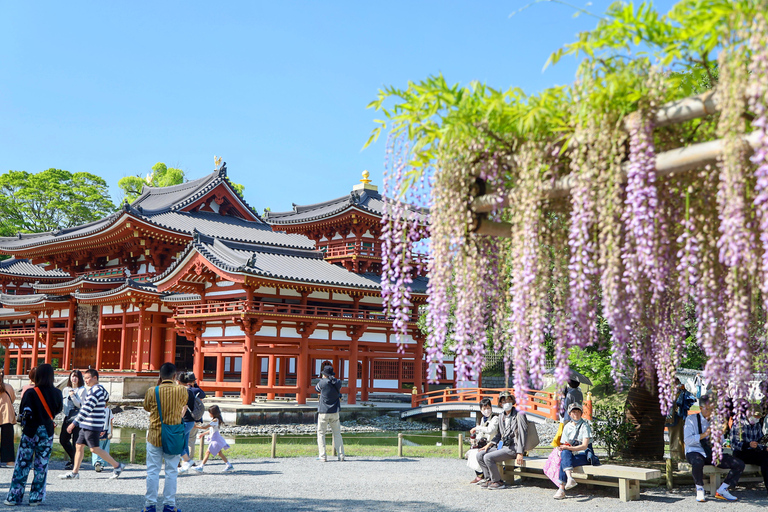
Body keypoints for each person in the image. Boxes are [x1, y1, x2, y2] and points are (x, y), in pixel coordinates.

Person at [4, 363, 63, 506]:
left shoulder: (31, 392)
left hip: (30, 431)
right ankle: (35, 497)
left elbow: (24, 410)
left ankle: (14, 497)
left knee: (22, 464)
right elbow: (58, 410)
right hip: (47, 431)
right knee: (41, 465)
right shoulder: (57, 393)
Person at [59, 368, 125, 480]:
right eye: (84, 378)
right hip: (87, 424)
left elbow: (86, 409)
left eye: (88, 378)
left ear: (95, 378)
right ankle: (75, 472)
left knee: (94, 449)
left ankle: (117, 465)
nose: (86, 380)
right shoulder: (98, 390)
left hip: (92, 424)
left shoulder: (96, 391)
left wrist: (73, 423)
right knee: (78, 446)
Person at [142, 362, 189, 512]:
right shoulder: (182, 390)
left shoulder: (152, 391)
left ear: (160, 376)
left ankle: (150, 505)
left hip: (155, 434)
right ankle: (169, 505)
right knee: (171, 471)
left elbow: (147, 407)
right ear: (175, 376)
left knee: (153, 471)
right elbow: (183, 404)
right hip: (174, 436)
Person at [684, 393, 744, 502]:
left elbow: (721, 442)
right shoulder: (691, 419)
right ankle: (700, 488)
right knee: (697, 462)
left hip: (712, 452)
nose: (711, 413)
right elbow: (687, 440)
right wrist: (705, 434)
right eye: (709, 409)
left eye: (714, 410)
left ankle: (723, 489)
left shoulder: (716, 420)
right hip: (695, 450)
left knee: (739, 464)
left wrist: (719, 435)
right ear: (701, 408)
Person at [477, 391, 528, 490]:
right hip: (503, 445)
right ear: (500, 403)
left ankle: (498, 481)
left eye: (509, 400)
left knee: (488, 457)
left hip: (513, 447)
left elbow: (523, 433)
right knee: (480, 454)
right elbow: (499, 434)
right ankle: (489, 479)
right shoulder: (501, 416)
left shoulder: (519, 414)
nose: (507, 403)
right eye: (504, 401)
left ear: (512, 401)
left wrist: (520, 452)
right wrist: (489, 445)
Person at [553, 402, 598, 499]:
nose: (576, 414)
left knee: (563, 462)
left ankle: (561, 489)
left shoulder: (585, 426)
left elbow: (584, 446)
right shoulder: (567, 427)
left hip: (584, 455)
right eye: (573, 412)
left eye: (578, 411)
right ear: (569, 414)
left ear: (581, 413)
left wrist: (568, 448)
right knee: (564, 453)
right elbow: (565, 444)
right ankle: (569, 478)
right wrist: (562, 447)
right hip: (572, 454)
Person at [731, 405, 768, 495]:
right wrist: (748, 444)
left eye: (758, 416)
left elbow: (760, 441)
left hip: (754, 452)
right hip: (741, 452)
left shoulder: (757, 425)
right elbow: (734, 444)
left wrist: (763, 447)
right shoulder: (738, 424)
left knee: (766, 457)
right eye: (755, 416)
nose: (757, 418)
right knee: (765, 459)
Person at [315, 365, 344, 462]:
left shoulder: (322, 382)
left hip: (324, 411)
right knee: (337, 434)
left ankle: (323, 456)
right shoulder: (338, 382)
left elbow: (317, 389)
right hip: (335, 411)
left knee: (321, 433)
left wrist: (323, 378)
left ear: (324, 374)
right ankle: (341, 455)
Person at [467, 398, 499, 484]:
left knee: (478, 453)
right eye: (484, 409)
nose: (486, 410)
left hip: (492, 444)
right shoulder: (483, 419)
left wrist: (476, 427)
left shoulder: (495, 418)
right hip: (483, 443)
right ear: (481, 410)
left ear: (491, 408)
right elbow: (481, 433)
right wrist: (475, 440)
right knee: (471, 452)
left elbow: (490, 430)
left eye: (488, 408)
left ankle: (483, 475)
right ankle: (480, 475)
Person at [193, 405, 233, 473]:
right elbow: (211, 430)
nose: (209, 414)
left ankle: (201, 466)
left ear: (213, 413)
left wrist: (195, 426)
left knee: (207, 452)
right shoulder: (215, 420)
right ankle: (229, 465)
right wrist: (203, 434)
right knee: (219, 453)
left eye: (210, 412)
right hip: (215, 438)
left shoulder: (215, 420)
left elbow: (205, 427)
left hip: (215, 439)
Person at [60, 369, 86, 470]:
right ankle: (73, 458)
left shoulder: (82, 390)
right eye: (72, 376)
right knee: (63, 439)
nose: (74, 378)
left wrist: (73, 396)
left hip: (78, 418)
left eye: (76, 376)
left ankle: (75, 463)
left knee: (76, 441)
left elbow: (81, 405)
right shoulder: (65, 389)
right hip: (67, 417)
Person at [178, 372, 204, 473]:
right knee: (185, 443)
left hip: (184, 420)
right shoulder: (193, 391)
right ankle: (186, 465)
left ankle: (186, 462)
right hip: (191, 420)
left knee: (176, 441)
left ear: (179, 381)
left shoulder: (183, 391)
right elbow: (202, 394)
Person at [666, 377, 696, 460]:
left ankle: (681, 456)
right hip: (672, 417)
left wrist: (683, 390)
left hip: (680, 417)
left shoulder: (681, 392)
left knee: (682, 436)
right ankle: (676, 457)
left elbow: (690, 399)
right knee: (675, 437)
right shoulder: (668, 393)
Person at [185, 373, 206, 458]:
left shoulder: (182, 390)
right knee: (191, 440)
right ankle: (189, 459)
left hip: (183, 418)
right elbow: (203, 395)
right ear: (194, 381)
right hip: (193, 418)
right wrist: (196, 385)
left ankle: (181, 460)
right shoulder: (195, 390)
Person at [92, 399, 114, 472]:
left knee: (96, 447)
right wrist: (111, 432)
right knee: (104, 448)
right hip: (106, 431)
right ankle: (101, 463)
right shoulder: (108, 410)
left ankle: (97, 462)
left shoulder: (95, 409)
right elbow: (111, 422)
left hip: (97, 431)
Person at [0, 373, 17, 468]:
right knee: (8, 438)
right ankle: (9, 461)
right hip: (7, 414)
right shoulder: (8, 386)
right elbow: (13, 398)